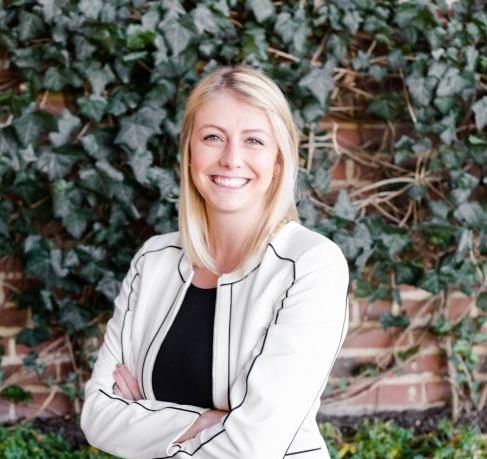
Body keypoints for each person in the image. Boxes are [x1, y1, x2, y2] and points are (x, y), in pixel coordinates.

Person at [80, 65, 349, 459]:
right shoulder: (153, 261)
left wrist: (147, 419)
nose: (231, 158)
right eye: (212, 137)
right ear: (190, 151)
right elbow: (98, 417)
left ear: (278, 158)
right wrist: (210, 419)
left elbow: (251, 447)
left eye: (254, 140)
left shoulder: (309, 265)